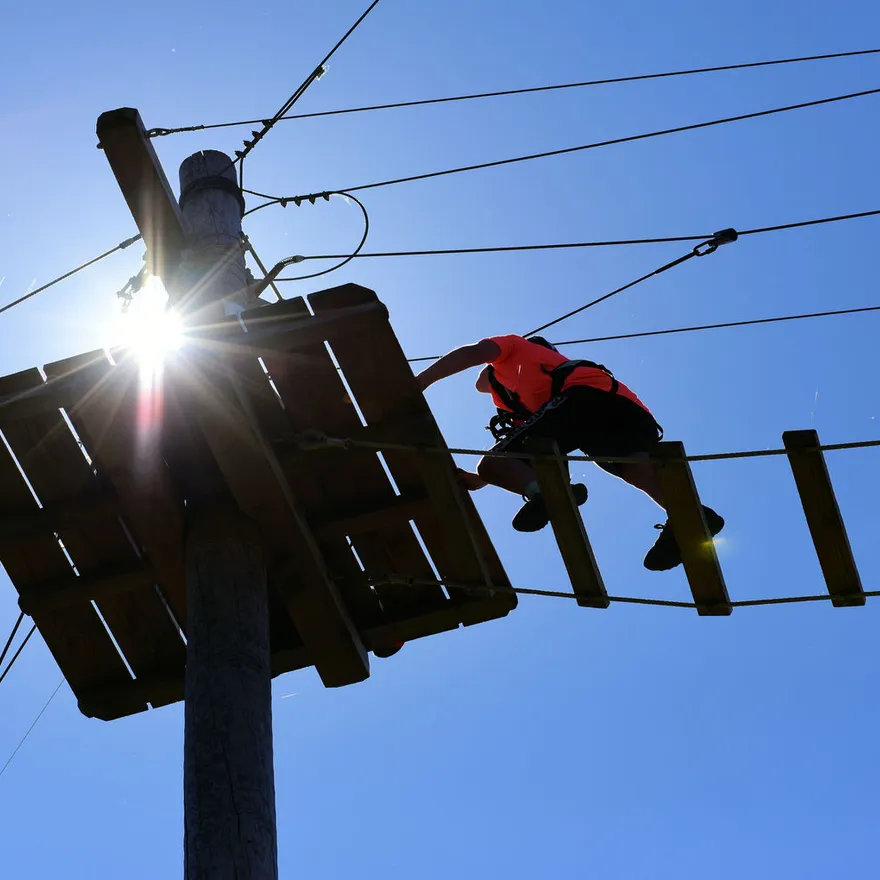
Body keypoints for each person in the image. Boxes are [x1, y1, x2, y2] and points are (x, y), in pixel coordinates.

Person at [415, 334, 724, 571]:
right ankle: (691, 516)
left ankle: (547, 494)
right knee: (634, 469)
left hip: (581, 401)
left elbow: (473, 354)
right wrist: (482, 480)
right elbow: (531, 449)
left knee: (495, 463)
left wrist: (422, 381)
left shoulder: (513, 348)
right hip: (622, 408)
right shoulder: (528, 394)